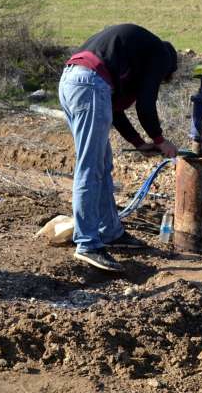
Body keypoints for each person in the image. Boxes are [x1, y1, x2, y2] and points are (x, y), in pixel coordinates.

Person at [59, 24, 179, 272]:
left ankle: (110, 232)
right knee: (90, 168)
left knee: (102, 164)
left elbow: (114, 109)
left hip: (71, 82)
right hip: (89, 85)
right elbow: (146, 103)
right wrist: (160, 140)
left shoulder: (128, 56)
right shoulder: (160, 55)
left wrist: (139, 143)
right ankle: (88, 243)